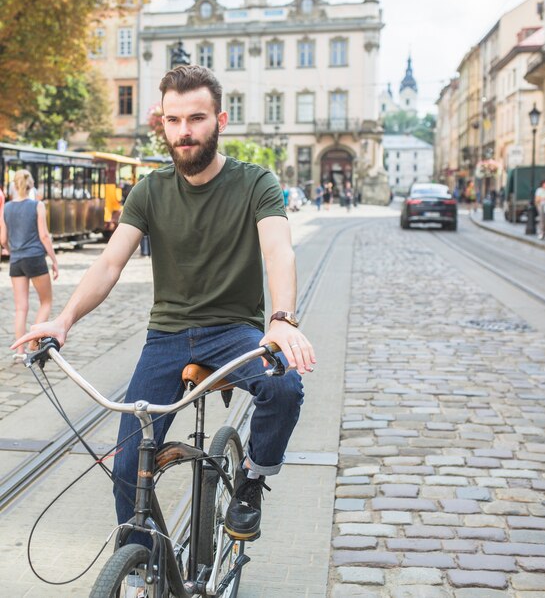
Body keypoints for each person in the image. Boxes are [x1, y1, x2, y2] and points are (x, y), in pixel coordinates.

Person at [12, 66, 315, 552]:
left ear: (220, 121)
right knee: (128, 469)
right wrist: (62, 319)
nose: (184, 131)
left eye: (196, 118)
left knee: (284, 386)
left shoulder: (256, 183)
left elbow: (280, 251)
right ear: (163, 124)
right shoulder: (150, 190)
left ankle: (253, 479)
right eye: (173, 121)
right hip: (167, 338)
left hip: (235, 332)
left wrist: (281, 320)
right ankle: (142, 564)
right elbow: (110, 262)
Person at [1, 170, 59, 360]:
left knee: (20, 308)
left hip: (16, 261)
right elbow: (43, 235)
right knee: (46, 302)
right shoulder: (37, 205)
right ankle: (34, 343)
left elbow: (3, 238)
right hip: (34, 258)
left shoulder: (7, 208)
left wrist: (11, 249)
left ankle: (20, 352)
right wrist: (54, 259)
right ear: (31, 184)